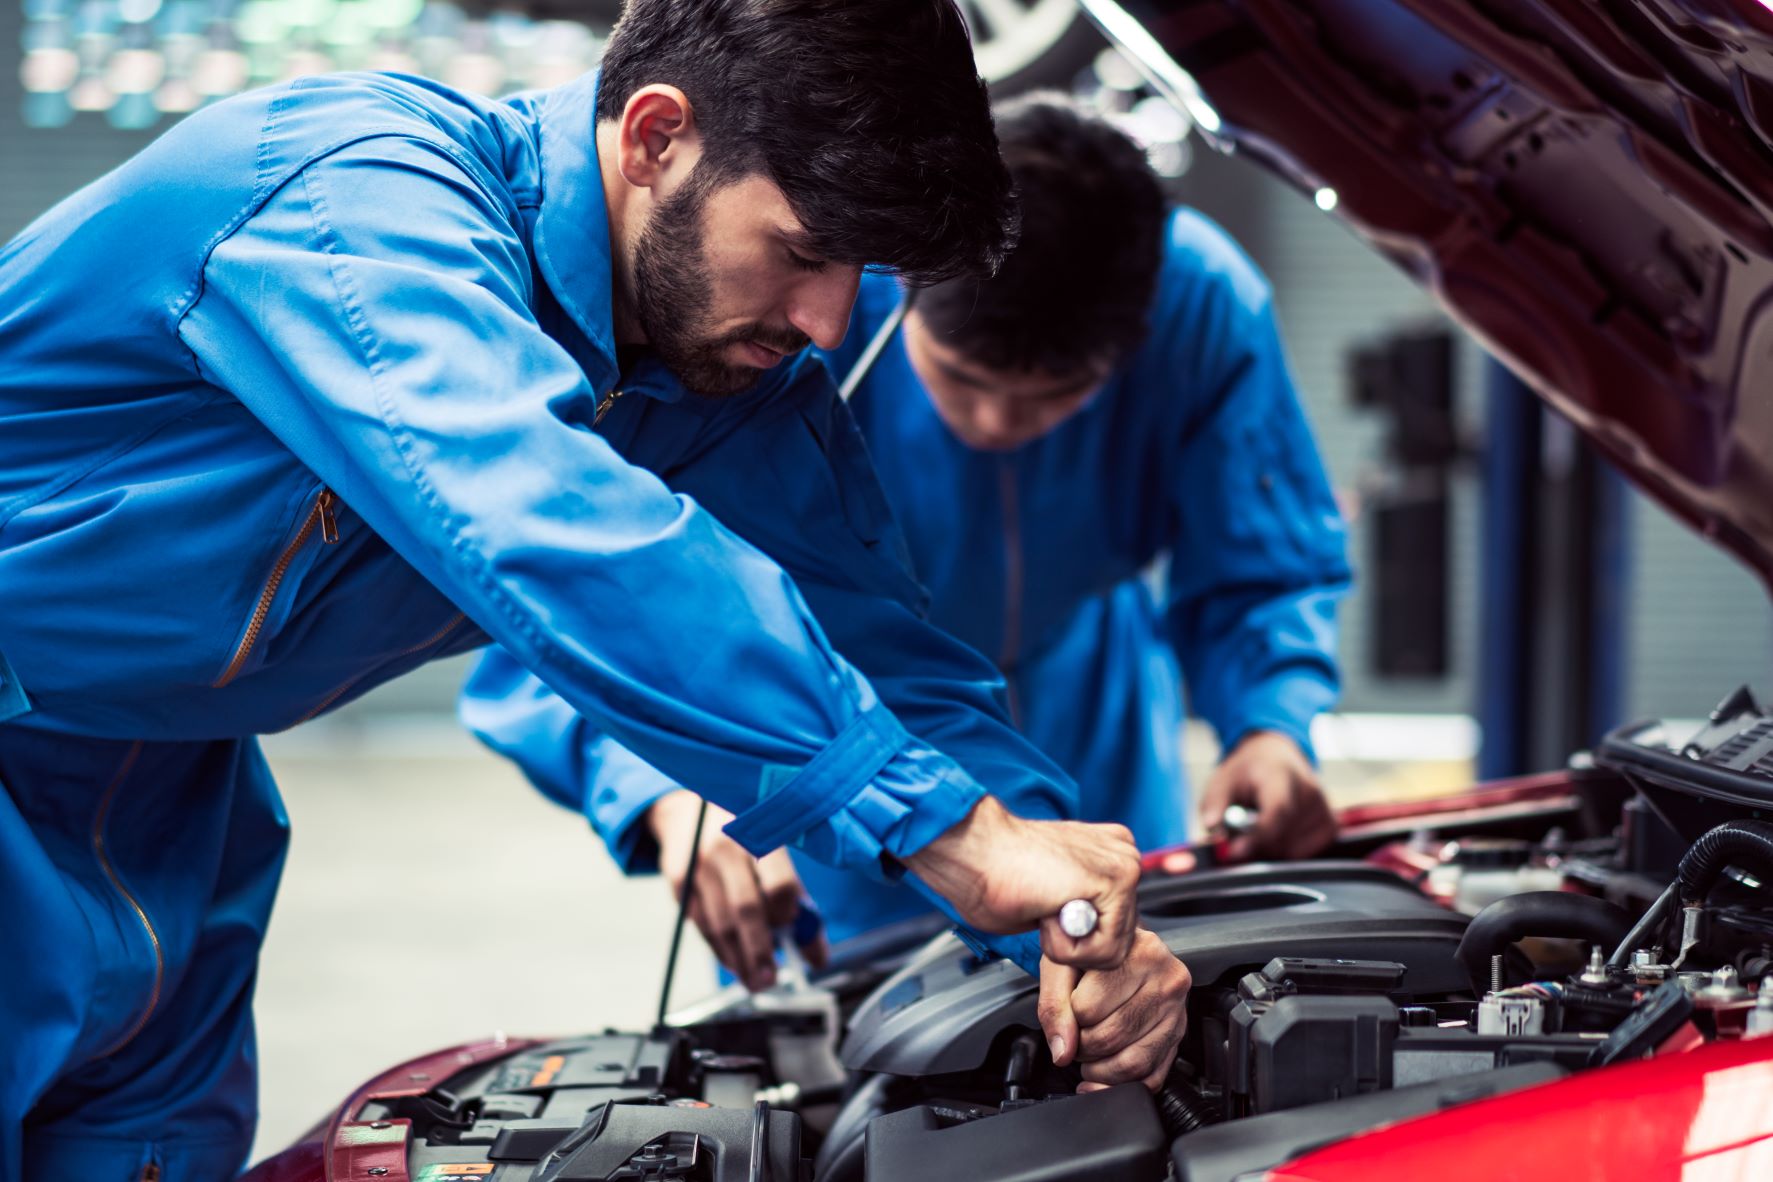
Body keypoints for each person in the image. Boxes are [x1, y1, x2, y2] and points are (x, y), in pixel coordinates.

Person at [0, 7, 1189, 1176]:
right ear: (655, 138)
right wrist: (943, 829)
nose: (829, 322)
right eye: (804, 249)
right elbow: (548, 520)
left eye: (860, 272)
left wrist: (1063, 911)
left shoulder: (707, 379)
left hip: (169, 795)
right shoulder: (350, 203)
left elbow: (887, 650)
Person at [466, 96, 1349, 1025]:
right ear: (902, 291)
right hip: (817, 757)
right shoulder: (800, 307)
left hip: (1089, 739)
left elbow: (1261, 547)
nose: (998, 427)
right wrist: (661, 788)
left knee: (1112, 1006)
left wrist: (1269, 722)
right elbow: (570, 602)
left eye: (1053, 398)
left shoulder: (1201, 303)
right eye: (963, 382)